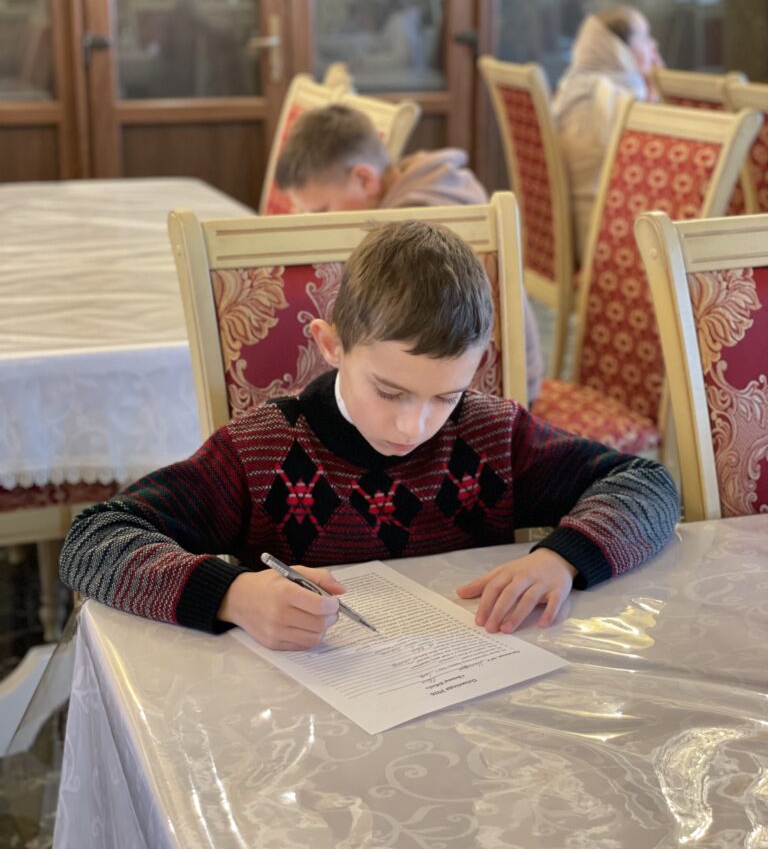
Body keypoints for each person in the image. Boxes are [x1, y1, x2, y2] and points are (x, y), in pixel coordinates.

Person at [60, 221, 679, 652]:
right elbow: (92, 542)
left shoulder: (492, 435)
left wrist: (561, 558)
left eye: (446, 395)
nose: (415, 426)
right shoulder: (260, 453)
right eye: (389, 391)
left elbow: (647, 483)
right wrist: (234, 596)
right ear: (332, 345)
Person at [275, 103, 544, 404]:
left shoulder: (413, 229)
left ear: (364, 179)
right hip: (490, 377)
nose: (315, 225)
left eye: (321, 211)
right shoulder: (430, 177)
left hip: (483, 395)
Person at [552, 5, 663, 264]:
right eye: (645, 37)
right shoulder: (617, 98)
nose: (654, 46)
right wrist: (660, 84)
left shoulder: (572, 85)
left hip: (569, 231)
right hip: (603, 239)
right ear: (618, 48)